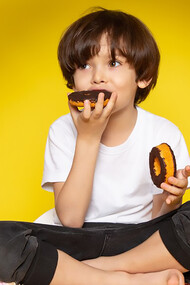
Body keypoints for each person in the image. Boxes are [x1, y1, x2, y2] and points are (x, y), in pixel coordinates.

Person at [0, 7, 190, 285]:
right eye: (84, 65)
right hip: (76, 241)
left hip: (141, 240)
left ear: (143, 76)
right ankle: (124, 281)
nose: (97, 77)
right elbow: (71, 219)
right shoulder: (62, 130)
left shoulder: (163, 131)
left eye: (113, 64)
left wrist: (172, 201)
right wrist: (88, 138)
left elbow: (160, 221)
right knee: (5, 240)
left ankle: (98, 271)